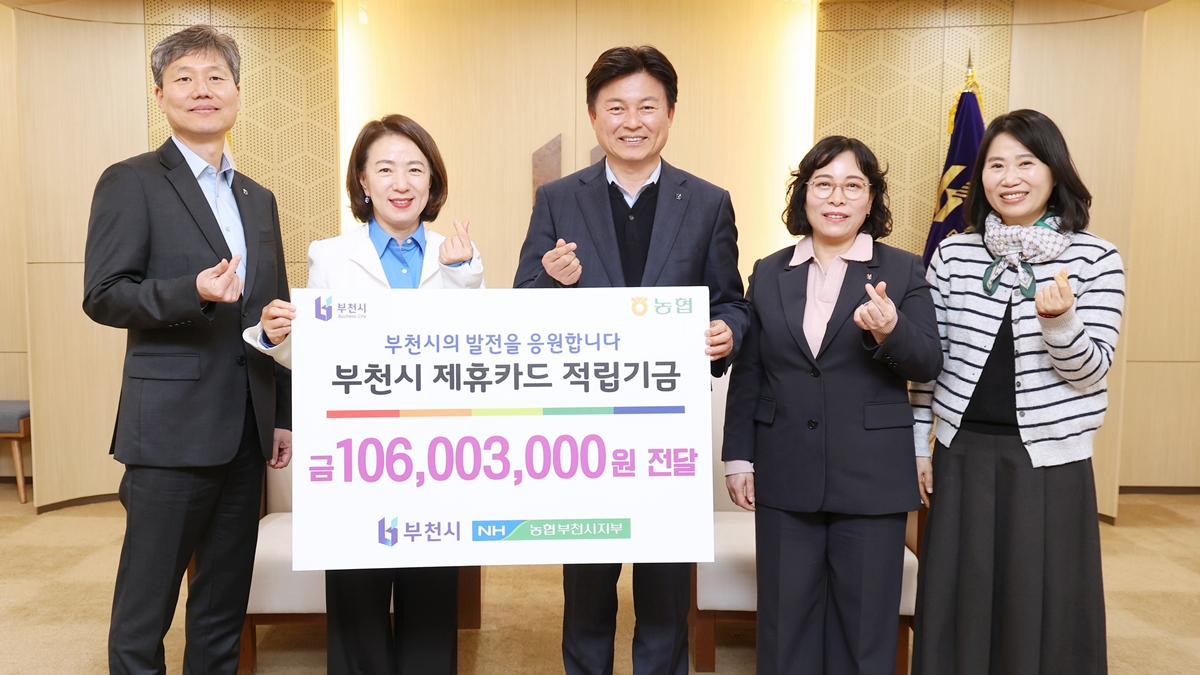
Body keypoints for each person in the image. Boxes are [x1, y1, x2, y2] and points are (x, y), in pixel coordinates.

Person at [513, 45, 750, 675]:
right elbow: (521, 307)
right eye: (615, 107)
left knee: (665, 597)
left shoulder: (708, 202)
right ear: (594, 116)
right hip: (585, 431)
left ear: (670, 113)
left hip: (667, 433)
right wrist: (550, 279)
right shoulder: (558, 198)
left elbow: (732, 301)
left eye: (647, 106)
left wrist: (726, 332)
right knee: (587, 595)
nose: (632, 121)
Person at [82, 25, 291, 675]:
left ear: (237, 92)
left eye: (216, 77)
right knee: (145, 610)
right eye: (185, 78)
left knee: (222, 607)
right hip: (169, 434)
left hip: (246, 431)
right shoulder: (131, 181)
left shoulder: (259, 197)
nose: (203, 90)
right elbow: (104, 295)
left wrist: (282, 415)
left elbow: (274, 313)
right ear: (160, 96)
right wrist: (190, 291)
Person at [244, 114, 482, 675]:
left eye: (415, 169)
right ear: (363, 181)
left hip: (436, 460)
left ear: (432, 181)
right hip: (355, 457)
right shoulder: (329, 254)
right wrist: (276, 338)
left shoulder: (459, 255)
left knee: (431, 607)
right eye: (386, 169)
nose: (401, 183)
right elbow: (317, 353)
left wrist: (464, 275)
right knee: (357, 609)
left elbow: (477, 355)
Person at [910, 109, 1123, 675]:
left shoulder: (1096, 257)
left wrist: (1061, 323)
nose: (1010, 178)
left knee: (1042, 604)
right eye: (996, 165)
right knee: (958, 601)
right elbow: (929, 363)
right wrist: (917, 443)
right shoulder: (953, 254)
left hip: (1050, 462)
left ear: (1054, 170)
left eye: (1025, 163)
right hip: (961, 453)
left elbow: (1091, 372)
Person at [722, 136, 942, 675]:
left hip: (871, 476)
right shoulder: (769, 271)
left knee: (865, 632)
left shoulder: (904, 269)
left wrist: (890, 329)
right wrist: (738, 456)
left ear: (871, 200)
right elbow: (751, 372)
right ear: (803, 195)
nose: (836, 198)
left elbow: (927, 362)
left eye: (852, 186)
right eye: (823, 184)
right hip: (784, 467)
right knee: (784, 625)